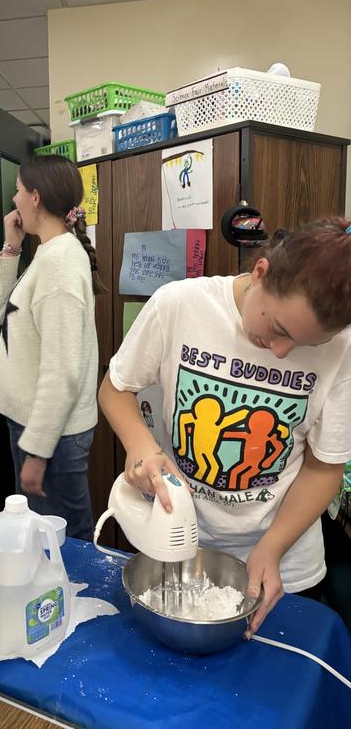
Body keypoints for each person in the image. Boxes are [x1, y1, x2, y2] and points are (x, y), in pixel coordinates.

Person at [99, 217, 351, 633]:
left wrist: (272, 548)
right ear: (260, 272)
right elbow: (115, 389)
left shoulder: (343, 349)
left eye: (308, 345)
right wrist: (141, 446)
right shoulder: (179, 305)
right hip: (178, 545)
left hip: (282, 562)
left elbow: (325, 467)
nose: (284, 352)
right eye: (279, 329)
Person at [0, 154, 103, 541]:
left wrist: (37, 453)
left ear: (35, 197)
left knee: (63, 542)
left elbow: (62, 371)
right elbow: (0, 312)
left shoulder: (61, 263)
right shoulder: (48, 255)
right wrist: (11, 248)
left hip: (52, 434)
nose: (14, 200)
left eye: (17, 190)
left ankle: (75, 602)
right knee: (46, 538)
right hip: (37, 426)